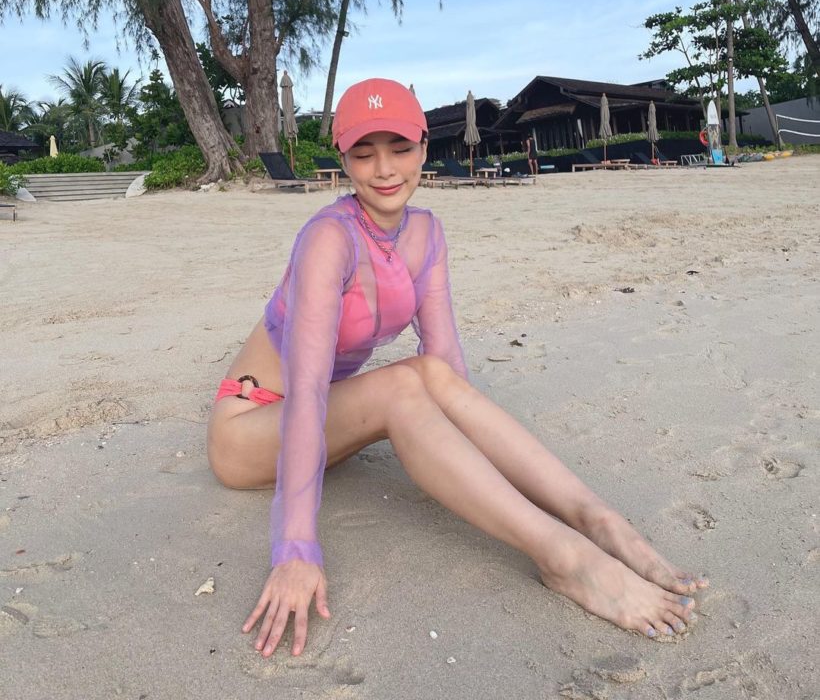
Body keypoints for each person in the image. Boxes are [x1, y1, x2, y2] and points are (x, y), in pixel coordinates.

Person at [207, 78, 706, 659]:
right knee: (401, 386)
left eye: (400, 149)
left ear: (424, 147)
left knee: (426, 373)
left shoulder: (426, 233)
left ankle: (596, 519)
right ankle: (564, 557)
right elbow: (310, 391)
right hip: (250, 427)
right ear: (343, 159)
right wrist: (295, 548)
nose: (384, 169)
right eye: (364, 154)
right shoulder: (327, 240)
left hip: (327, 422)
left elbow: (446, 370)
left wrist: (479, 470)